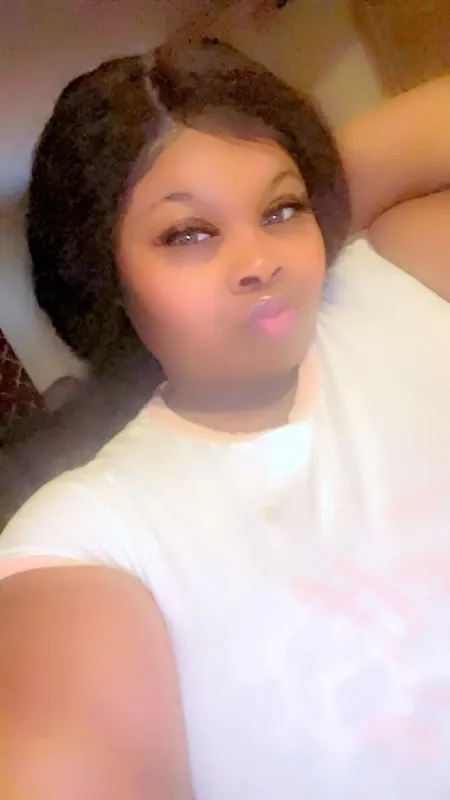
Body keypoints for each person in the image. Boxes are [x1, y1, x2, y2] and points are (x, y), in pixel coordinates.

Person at [0, 37, 449, 799]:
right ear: (105, 275)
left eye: (282, 210)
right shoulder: (88, 538)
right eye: (188, 234)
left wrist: (308, 176)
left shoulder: (401, 277)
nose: (259, 261)